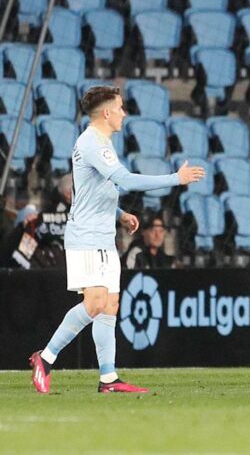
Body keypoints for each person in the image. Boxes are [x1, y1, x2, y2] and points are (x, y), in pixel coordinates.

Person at [29, 86, 204, 394]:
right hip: (86, 237)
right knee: (95, 303)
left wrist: (120, 213)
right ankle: (45, 358)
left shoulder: (100, 141)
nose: (124, 113)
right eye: (121, 108)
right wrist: (175, 179)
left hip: (104, 236)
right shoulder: (93, 142)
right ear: (107, 112)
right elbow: (124, 180)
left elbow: (94, 189)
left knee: (110, 304)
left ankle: (108, 378)